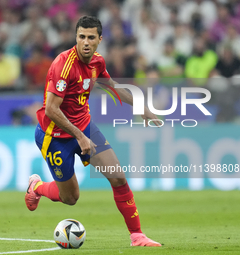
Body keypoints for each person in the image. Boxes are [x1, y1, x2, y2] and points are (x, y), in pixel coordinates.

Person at [25, 16, 162, 247]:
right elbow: (50, 109)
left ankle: (137, 236)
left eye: (90, 37)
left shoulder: (97, 62)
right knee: (70, 198)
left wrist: (142, 108)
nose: (85, 42)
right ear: (75, 38)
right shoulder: (62, 65)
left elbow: (112, 86)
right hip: (54, 136)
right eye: (81, 37)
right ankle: (36, 187)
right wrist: (79, 136)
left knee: (118, 177)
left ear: (100, 39)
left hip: (85, 126)